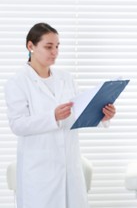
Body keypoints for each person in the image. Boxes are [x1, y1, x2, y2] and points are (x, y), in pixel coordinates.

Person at [4, 23, 116, 208]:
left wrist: (101, 116)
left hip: (70, 168)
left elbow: (76, 115)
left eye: (57, 46)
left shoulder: (66, 78)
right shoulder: (17, 82)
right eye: (48, 47)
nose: (54, 52)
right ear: (30, 46)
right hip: (39, 172)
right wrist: (52, 117)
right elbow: (18, 125)